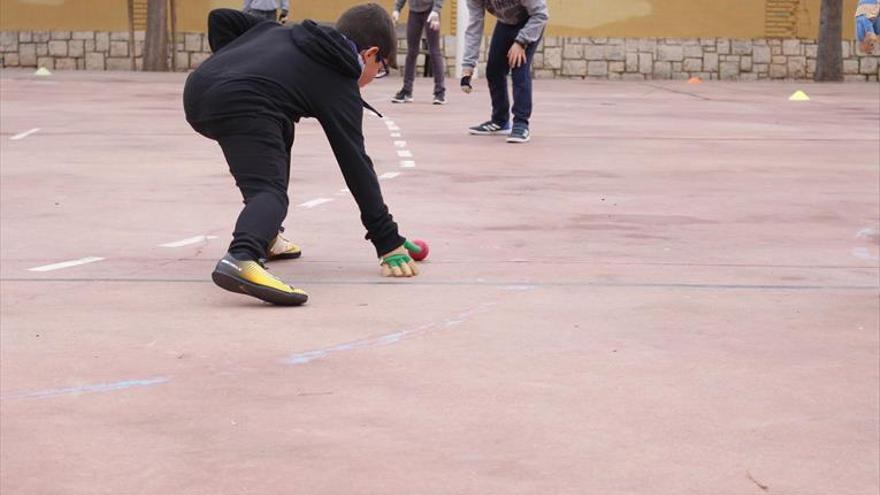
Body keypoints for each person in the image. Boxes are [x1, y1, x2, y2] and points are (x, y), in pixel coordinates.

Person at [183, 4, 423, 306]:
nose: (376, 75)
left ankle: (266, 235)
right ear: (369, 54)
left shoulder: (292, 33)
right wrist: (386, 239)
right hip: (242, 102)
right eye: (381, 68)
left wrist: (230, 65)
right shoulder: (338, 78)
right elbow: (355, 163)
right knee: (269, 193)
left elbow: (220, 18)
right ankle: (241, 256)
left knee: (282, 126)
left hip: (200, 87)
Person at [461, 0, 548, 144]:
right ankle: (500, 120)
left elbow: (541, 14)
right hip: (505, 23)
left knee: (519, 68)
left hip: (530, 22)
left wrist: (521, 42)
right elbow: (474, 27)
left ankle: (521, 123)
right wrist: (468, 65)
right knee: (494, 70)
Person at [390, 0, 447, 105]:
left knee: (434, 51)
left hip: (431, 12)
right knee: (411, 52)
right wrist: (397, 9)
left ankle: (440, 92)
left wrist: (436, 10)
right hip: (414, 12)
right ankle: (407, 91)